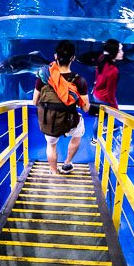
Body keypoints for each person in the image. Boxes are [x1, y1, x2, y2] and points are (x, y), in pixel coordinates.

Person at [33, 40, 91, 174]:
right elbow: (86, 108)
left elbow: (35, 102)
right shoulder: (79, 81)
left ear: (55, 56)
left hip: (50, 123)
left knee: (51, 145)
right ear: (73, 58)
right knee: (78, 132)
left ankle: (54, 171)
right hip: (70, 122)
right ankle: (67, 163)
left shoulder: (43, 77)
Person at [92, 39, 123, 109]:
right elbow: (110, 93)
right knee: (106, 119)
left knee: (99, 117)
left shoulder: (101, 58)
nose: (122, 53)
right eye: (119, 51)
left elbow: (97, 75)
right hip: (104, 100)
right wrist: (115, 108)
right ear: (113, 52)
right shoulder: (113, 71)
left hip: (96, 95)